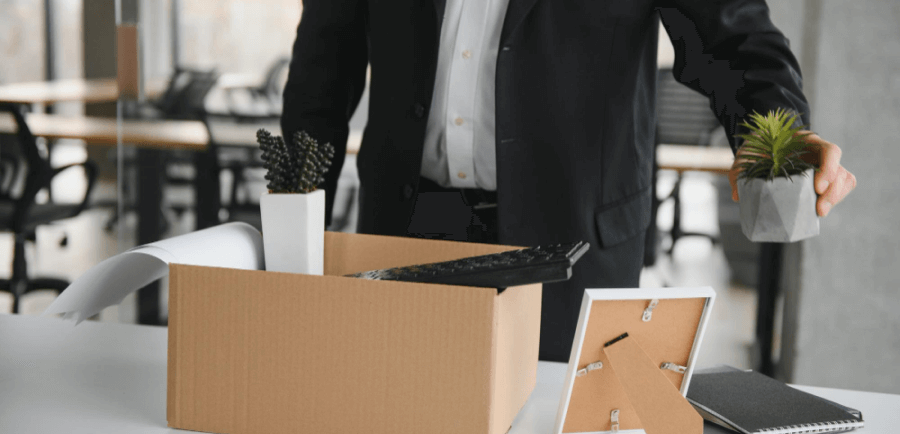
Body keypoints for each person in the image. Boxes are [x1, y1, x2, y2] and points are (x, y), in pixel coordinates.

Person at [281, 1, 856, 362]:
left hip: (569, 242)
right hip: (404, 228)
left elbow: (734, 38)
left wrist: (777, 133)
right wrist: (293, 229)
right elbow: (322, 68)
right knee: (399, 426)